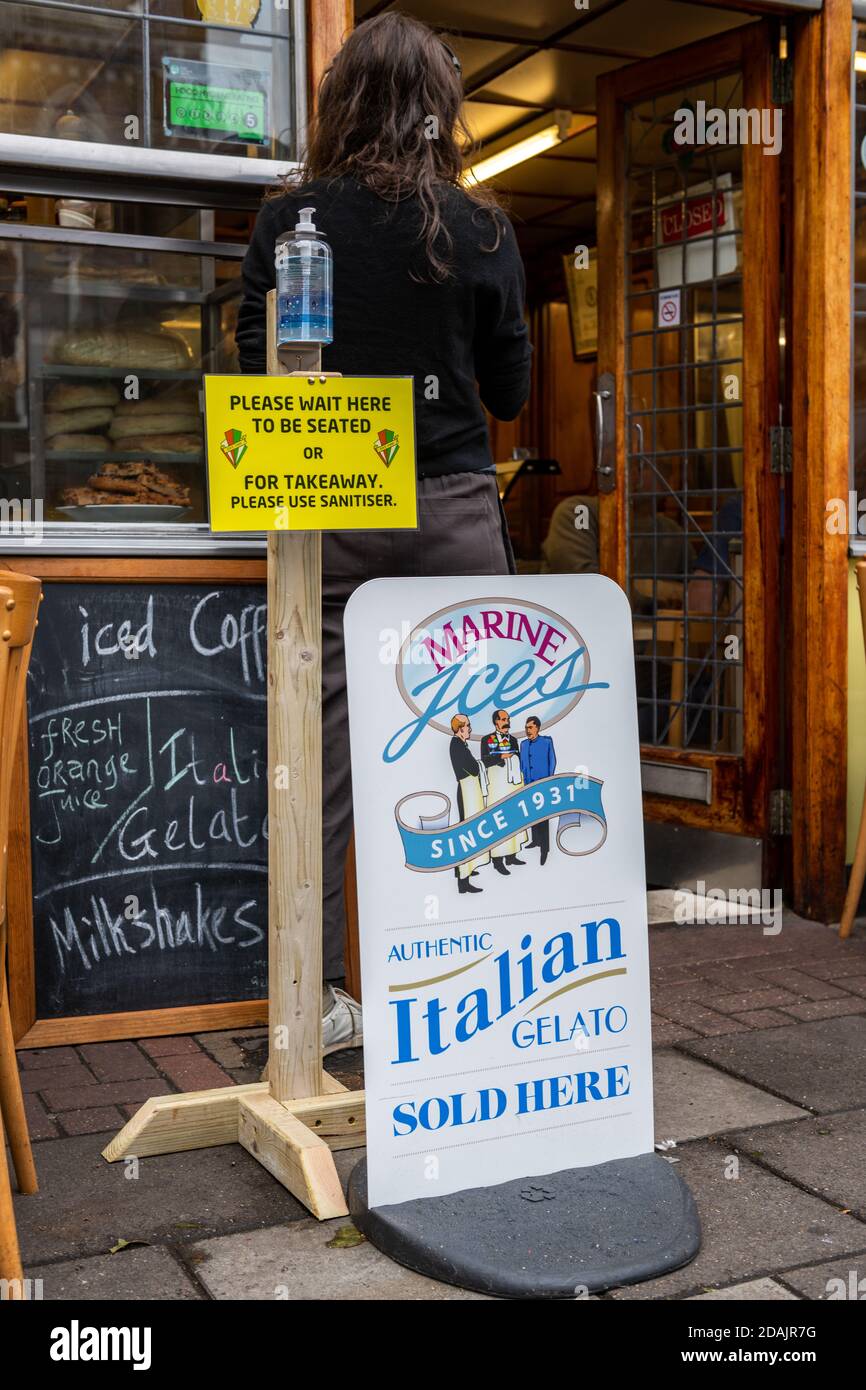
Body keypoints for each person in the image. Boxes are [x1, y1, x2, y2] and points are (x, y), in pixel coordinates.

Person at [235, 14, 532, 1051]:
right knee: (474, 759)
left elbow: (251, 365)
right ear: (439, 108)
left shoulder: (289, 223)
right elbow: (506, 392)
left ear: (337, 101)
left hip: (328, 513)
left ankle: (310, 1009)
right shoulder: (482, 228)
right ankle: (474, 992)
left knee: (312, 772)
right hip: (449, 510)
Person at [481, 710, 528, 875]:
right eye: (503, 719)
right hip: (496, 784)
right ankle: (498, 860)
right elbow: (485, 760)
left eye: (507, 719)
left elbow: (519, 758)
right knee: (498, 818)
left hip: (512, 784)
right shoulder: (486, 739)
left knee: (514, 815)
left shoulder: (514, 740)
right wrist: (502, 757)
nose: (506, 722)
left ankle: (512, 854)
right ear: (495, 722)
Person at [448, 714, 489, 893]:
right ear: (460, 728)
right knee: (465, 833)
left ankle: (467, 870)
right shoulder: (457, 745)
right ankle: (462, 881)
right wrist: (482, 763)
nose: (470, 729)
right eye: (468, 726)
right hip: (466, 790)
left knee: (469, 830)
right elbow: (472, 768)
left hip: (469, 790)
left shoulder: (460, 744)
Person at [519, 715, 556, 865]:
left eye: (530, 727)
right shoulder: (523, 744)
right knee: (533, 814)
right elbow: (522, 764)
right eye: (526, 727)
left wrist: (548, 780)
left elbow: (552, 761)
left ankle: (544, 849)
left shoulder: (546, 742)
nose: (528, 730)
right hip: (529, 784)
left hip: (543, 784)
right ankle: (535, 840)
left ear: (537, 728)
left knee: (543, 816)